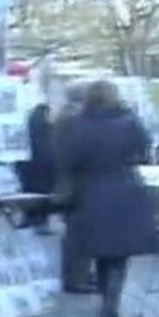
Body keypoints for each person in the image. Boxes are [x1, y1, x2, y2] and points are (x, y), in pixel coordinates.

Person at [66, 80, 157, 317]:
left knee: (101, 249)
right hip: (126, 187)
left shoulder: (80, 125)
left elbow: (70, 160)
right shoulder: (130, 122)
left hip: (92, 191)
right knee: (121, 252)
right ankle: (112, 301)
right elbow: (145, 152)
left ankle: (107, 298)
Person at [52, 82, 96, 294]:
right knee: (79, 233)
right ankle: (76, 278)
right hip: (77, 184)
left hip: (70, 182)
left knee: (76, 231)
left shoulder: (65, 116)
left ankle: (79, 275)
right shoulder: (74, 118)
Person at [19, 102, 57, 234]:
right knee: (41, 202)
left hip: (33, 174)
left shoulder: (28, 132)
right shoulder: (49, 132)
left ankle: (30, 223)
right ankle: (39, 224)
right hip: (43, 174)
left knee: (33, 203)